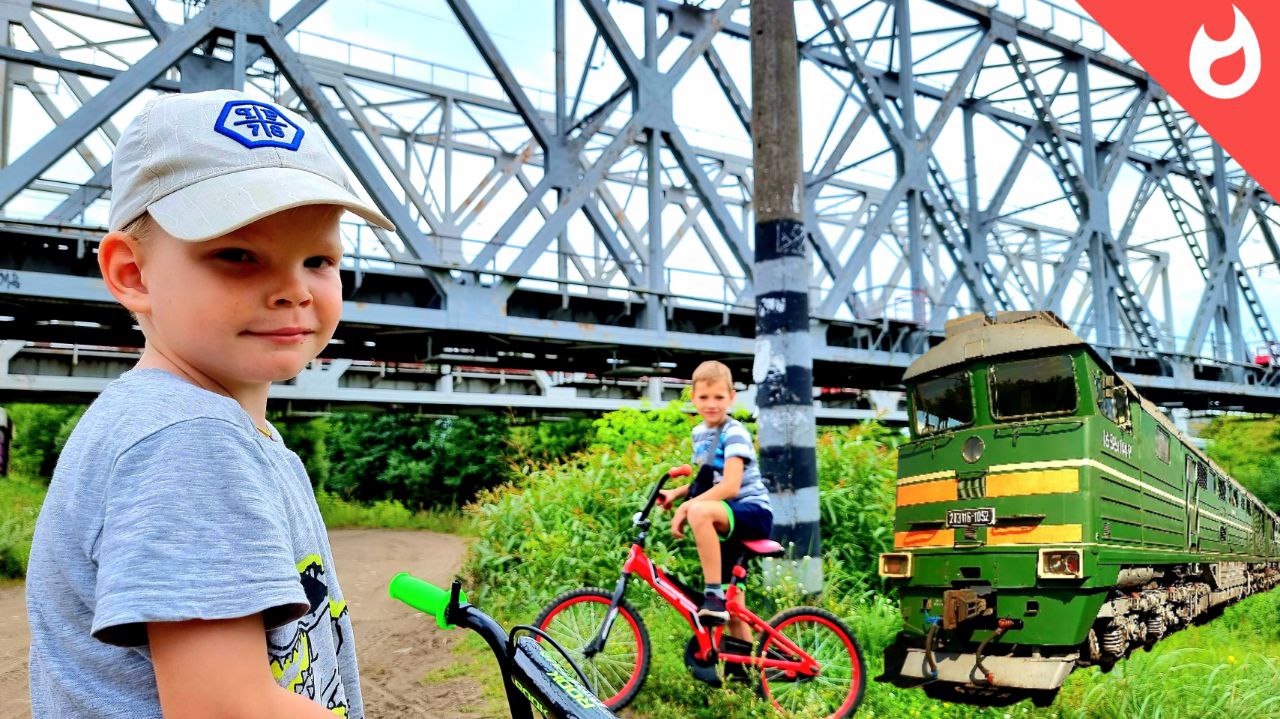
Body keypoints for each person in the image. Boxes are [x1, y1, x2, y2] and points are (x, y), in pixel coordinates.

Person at [25, 89, 395, 718]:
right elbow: (227, 708)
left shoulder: (176, 423)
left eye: (319, 259)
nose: (292, 289)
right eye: (237, 255)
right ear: (132, 273)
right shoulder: (189, 438)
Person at [658, 361, 773, 642]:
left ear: (732, 397)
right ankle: (741, 669)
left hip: (753, 512)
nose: (712, 404)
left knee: (699, 511)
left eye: (719, 397)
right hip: (728, 514)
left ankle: (713, 595)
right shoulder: (700, 433)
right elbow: (710, 482)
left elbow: (731, 486)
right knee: (735, 609)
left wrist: (690, 506)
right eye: (704, 397)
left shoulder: (734, 432)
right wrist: (677, 494)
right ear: (693, 397)